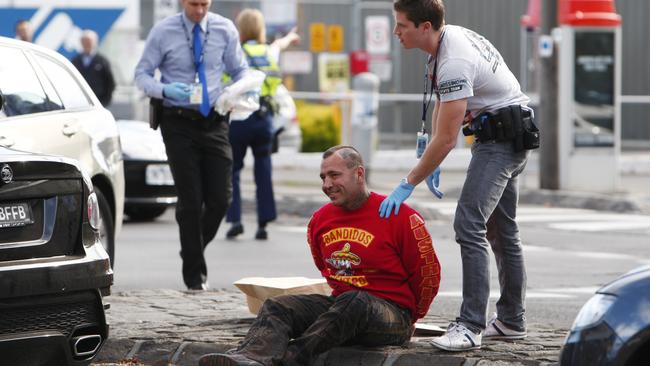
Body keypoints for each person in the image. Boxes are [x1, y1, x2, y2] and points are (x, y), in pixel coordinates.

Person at [381, 0, 535, 352]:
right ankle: (512, 321)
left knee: (469, 224)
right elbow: (444, 106)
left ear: (424, 27)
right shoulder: (446, 42)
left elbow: (448, 138)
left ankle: (470, 326)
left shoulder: (453, 60)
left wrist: (410, 181)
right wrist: (430, 161)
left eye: (401, 25)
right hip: (506, 135)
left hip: (501, 144)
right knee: (502, 229)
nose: (395, 32)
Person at [199, 145, 441, 366]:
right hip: (342, 307)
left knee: (355, 301)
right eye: (323, 177)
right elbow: (325, 268)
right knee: (278, 305)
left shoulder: (399, 216)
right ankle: (249, 359)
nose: (327, 184)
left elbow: (428, 275)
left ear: (359, 173)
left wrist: (412, 319)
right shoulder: (320, 221)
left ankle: (291, 359)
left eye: (335, 175)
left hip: (393, 316)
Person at [134, 0, 248, 291]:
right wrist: (164, 89)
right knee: (190, 199)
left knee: (222, 198)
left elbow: (241, 71)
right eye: (194, 4)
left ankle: (192, 249)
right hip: (178, 121)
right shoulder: (163, 31)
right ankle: (194, 277)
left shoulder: (224, 29)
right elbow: (142, 74)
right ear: (183, 2)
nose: (199, 10)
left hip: (215, 119)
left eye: (204, 4)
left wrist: (237, 93)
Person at [225, 9, 300, 241]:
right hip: (263, 119)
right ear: (260, 29)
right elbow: (279, 44)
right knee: (263, 170)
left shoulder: (235, 53)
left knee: (233, 170)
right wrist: (290, 38)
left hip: (238, 118)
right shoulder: (268, 51)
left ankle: (235, 220)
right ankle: (263, 223)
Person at [71, 30, 116, 107]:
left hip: (98, 102)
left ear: (95, 43)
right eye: (84, 42)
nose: (87, 45)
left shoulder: (102, 61)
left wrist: (105, 102)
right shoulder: (75, 61)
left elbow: (110, 83)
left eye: (89, 42)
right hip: (78, 103)